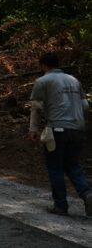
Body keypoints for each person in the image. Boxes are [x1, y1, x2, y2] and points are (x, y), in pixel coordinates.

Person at [29, 52, 92, 216]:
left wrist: (34, 129)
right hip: (77, 129)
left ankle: (61, 205)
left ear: (43, 65)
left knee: (55, 167)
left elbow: (36, 107)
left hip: (57, 129)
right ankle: (87, 194)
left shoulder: (42, 81)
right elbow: (85, 106)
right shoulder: (74, 80)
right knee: (73, 164)